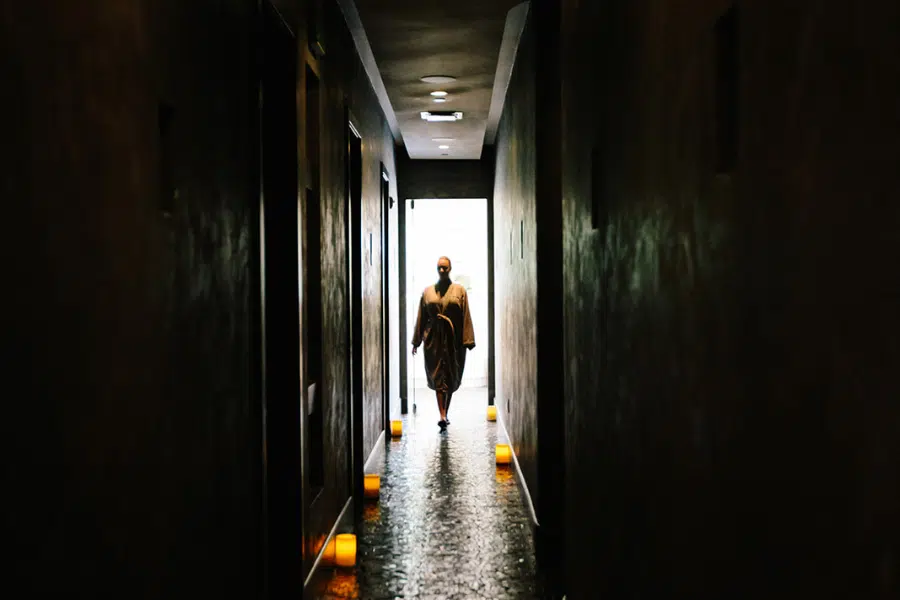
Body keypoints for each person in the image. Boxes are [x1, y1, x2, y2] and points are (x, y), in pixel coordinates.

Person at [411, 256, 475, 431]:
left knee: (451, 375)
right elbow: (421, 317)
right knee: (438, 376)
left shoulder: (460, 291)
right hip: (433, 339)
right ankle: (442, 415)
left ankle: (445, 411)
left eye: (445, 268)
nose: (442, 271)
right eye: (439, 267)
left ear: (450, 268)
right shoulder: (428, 292)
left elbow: (466, 316)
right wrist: (416, 341)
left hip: (454, 339)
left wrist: (467, 340)